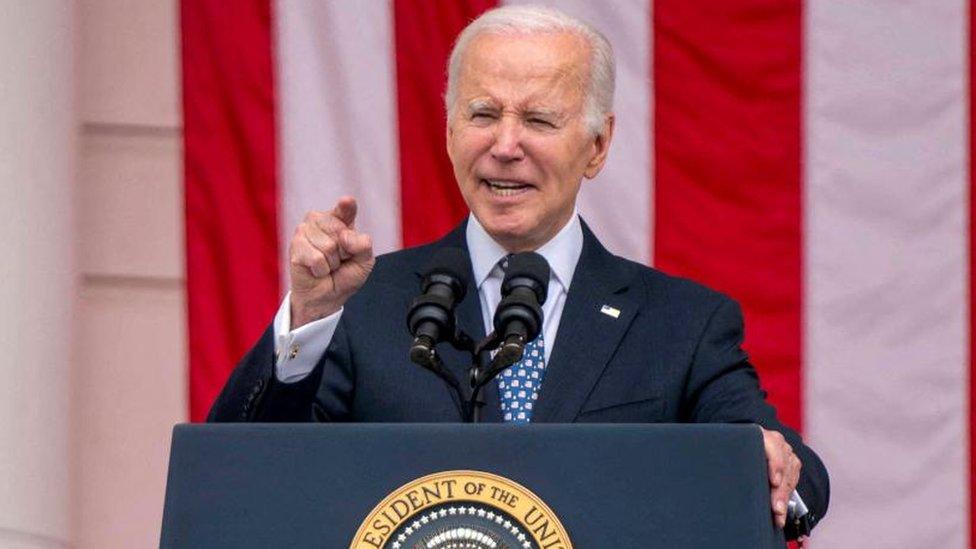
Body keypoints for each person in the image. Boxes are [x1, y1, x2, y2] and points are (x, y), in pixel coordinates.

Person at [209, 5, 828, 540]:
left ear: (598, 145)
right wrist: (309, 317)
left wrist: (771, 466)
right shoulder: (365, 304)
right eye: (482, 114)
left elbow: (793, 473)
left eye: (538, 120)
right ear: (450, 129)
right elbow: (239, 476)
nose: (506, 145)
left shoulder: (680, 323)